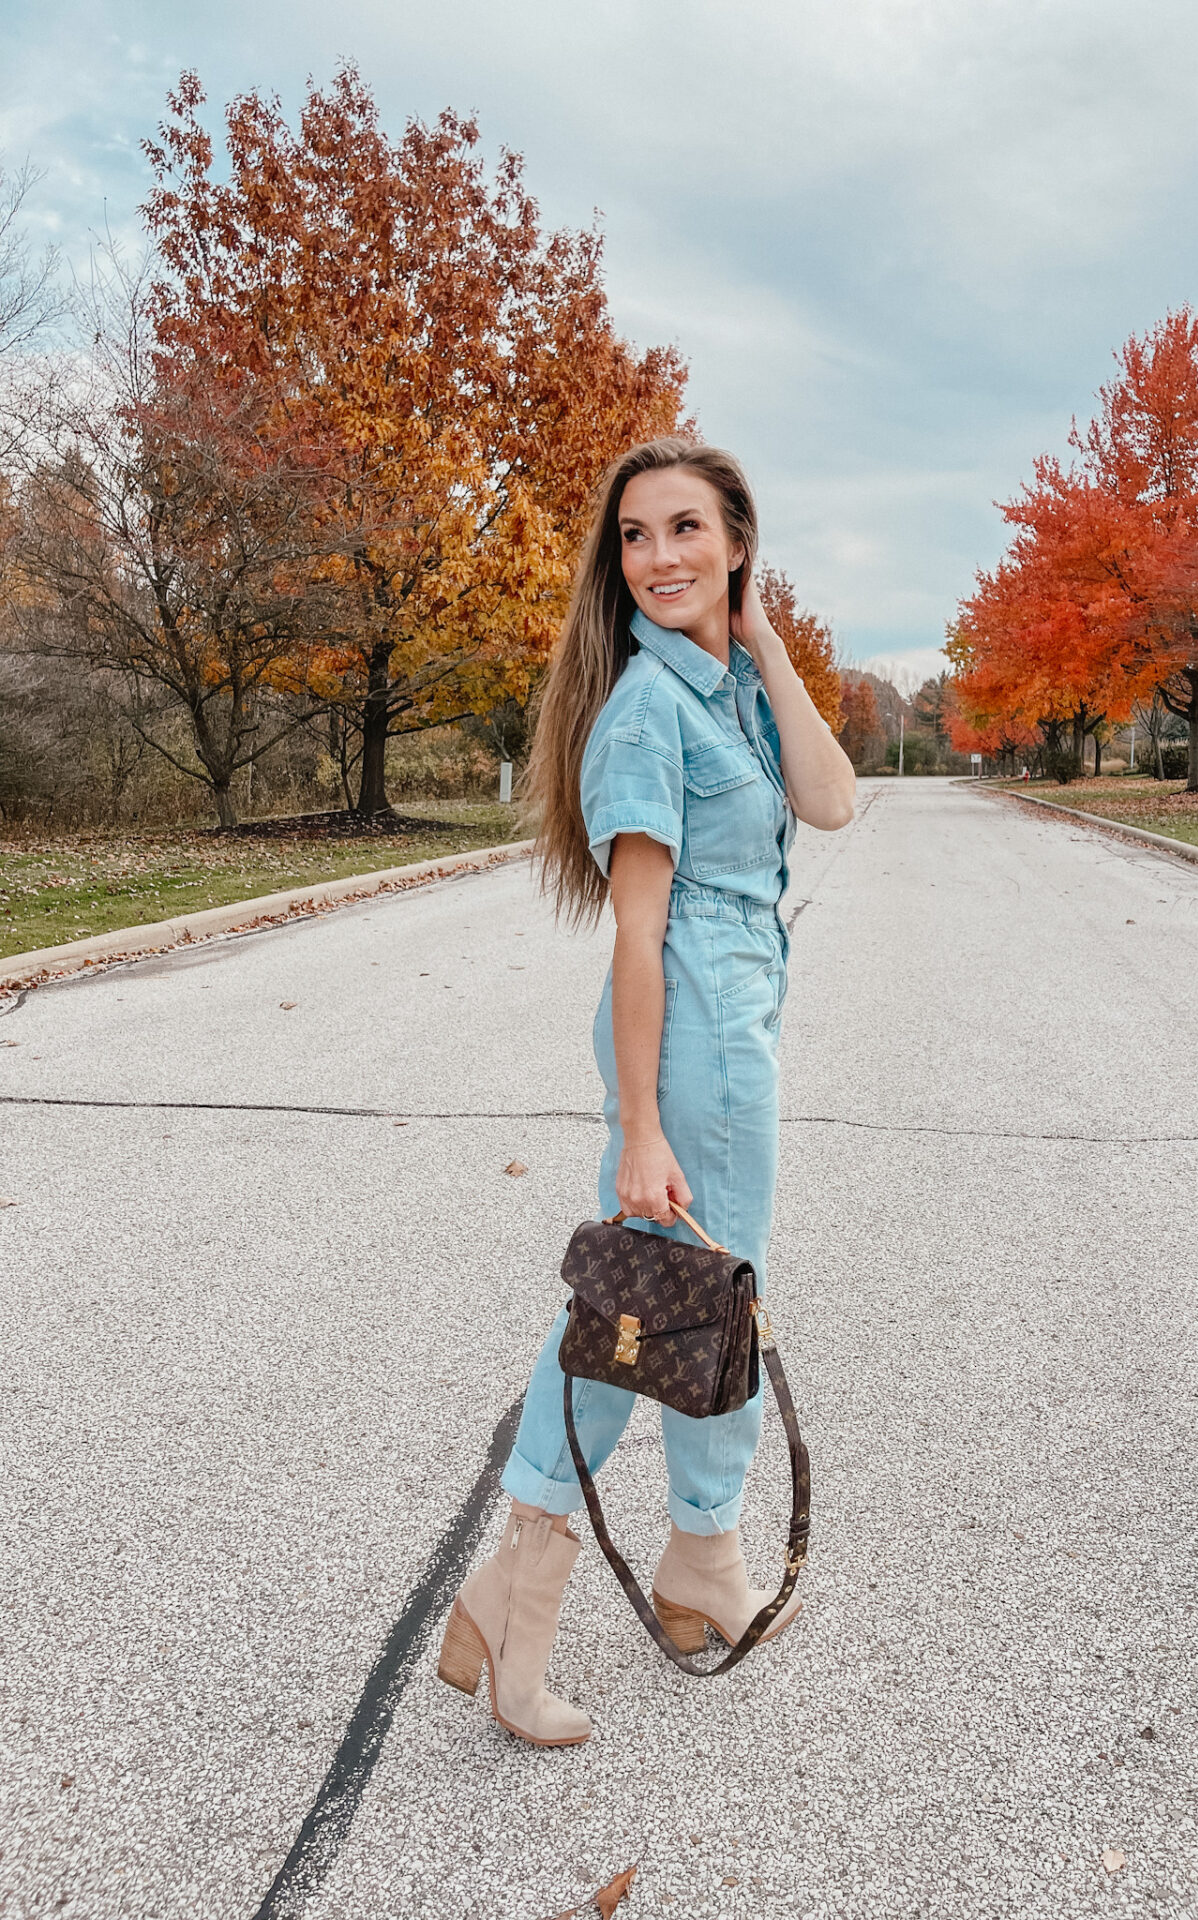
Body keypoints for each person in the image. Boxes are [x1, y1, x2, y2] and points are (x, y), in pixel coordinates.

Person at [436, 437, 855, 1746]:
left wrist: (763, 639)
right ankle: (550, 1603)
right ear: (615, 567)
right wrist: (642, 1128)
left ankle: (688, 1570)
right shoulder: (645, 715)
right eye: (636, 538)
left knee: (685, 1306)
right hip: (694, 1050)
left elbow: (832, 801)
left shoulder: (726, 692)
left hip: (735, 1033)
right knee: (649, 1310)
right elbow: (635, 935)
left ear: (736, 543)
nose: (659, 556)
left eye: (686, 529)